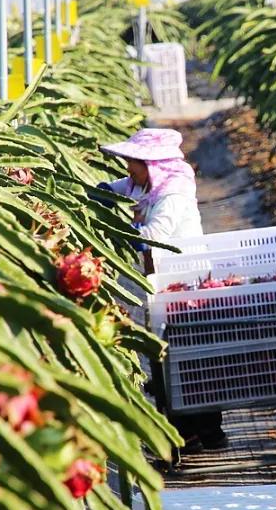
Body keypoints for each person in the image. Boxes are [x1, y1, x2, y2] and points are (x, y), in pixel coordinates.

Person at [97, 128, 227, 460]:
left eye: (133, 162)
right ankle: (188, 433)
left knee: (191, 358)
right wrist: (98, 194)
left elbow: (152, 236)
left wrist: (123, 228)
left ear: (151, 165)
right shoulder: (144, 184)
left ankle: (205, 432)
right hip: (164, 284)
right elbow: (115, 189)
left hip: (187, 284)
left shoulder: (173, 192)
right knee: (171, 358)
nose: (128, 168)